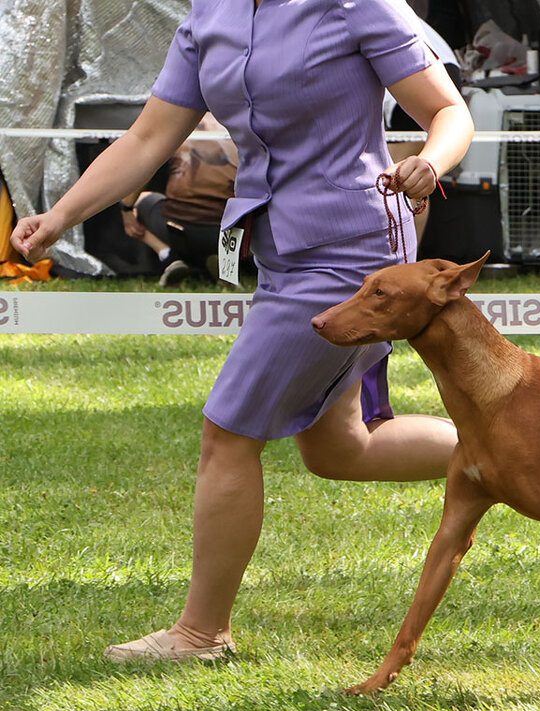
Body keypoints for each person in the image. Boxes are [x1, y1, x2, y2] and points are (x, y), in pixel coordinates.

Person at [11, 0, 474, 662]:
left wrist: (432, 159)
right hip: (281, 251)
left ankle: (202, 633)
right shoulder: (211, 18)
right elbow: (148, 139)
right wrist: (59, 217)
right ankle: (512, 450)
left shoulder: (357, 5)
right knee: (340, 449)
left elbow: (448, 111)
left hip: (352, 256)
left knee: (227, 432)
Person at [120, 112, 240, 286]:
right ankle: (228, 267)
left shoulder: (178, 122)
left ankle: (168, 256)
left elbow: (145, 169)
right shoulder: (241, 122)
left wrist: (126, 210)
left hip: (177, 228)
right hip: (229, 233)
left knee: (137, 201)